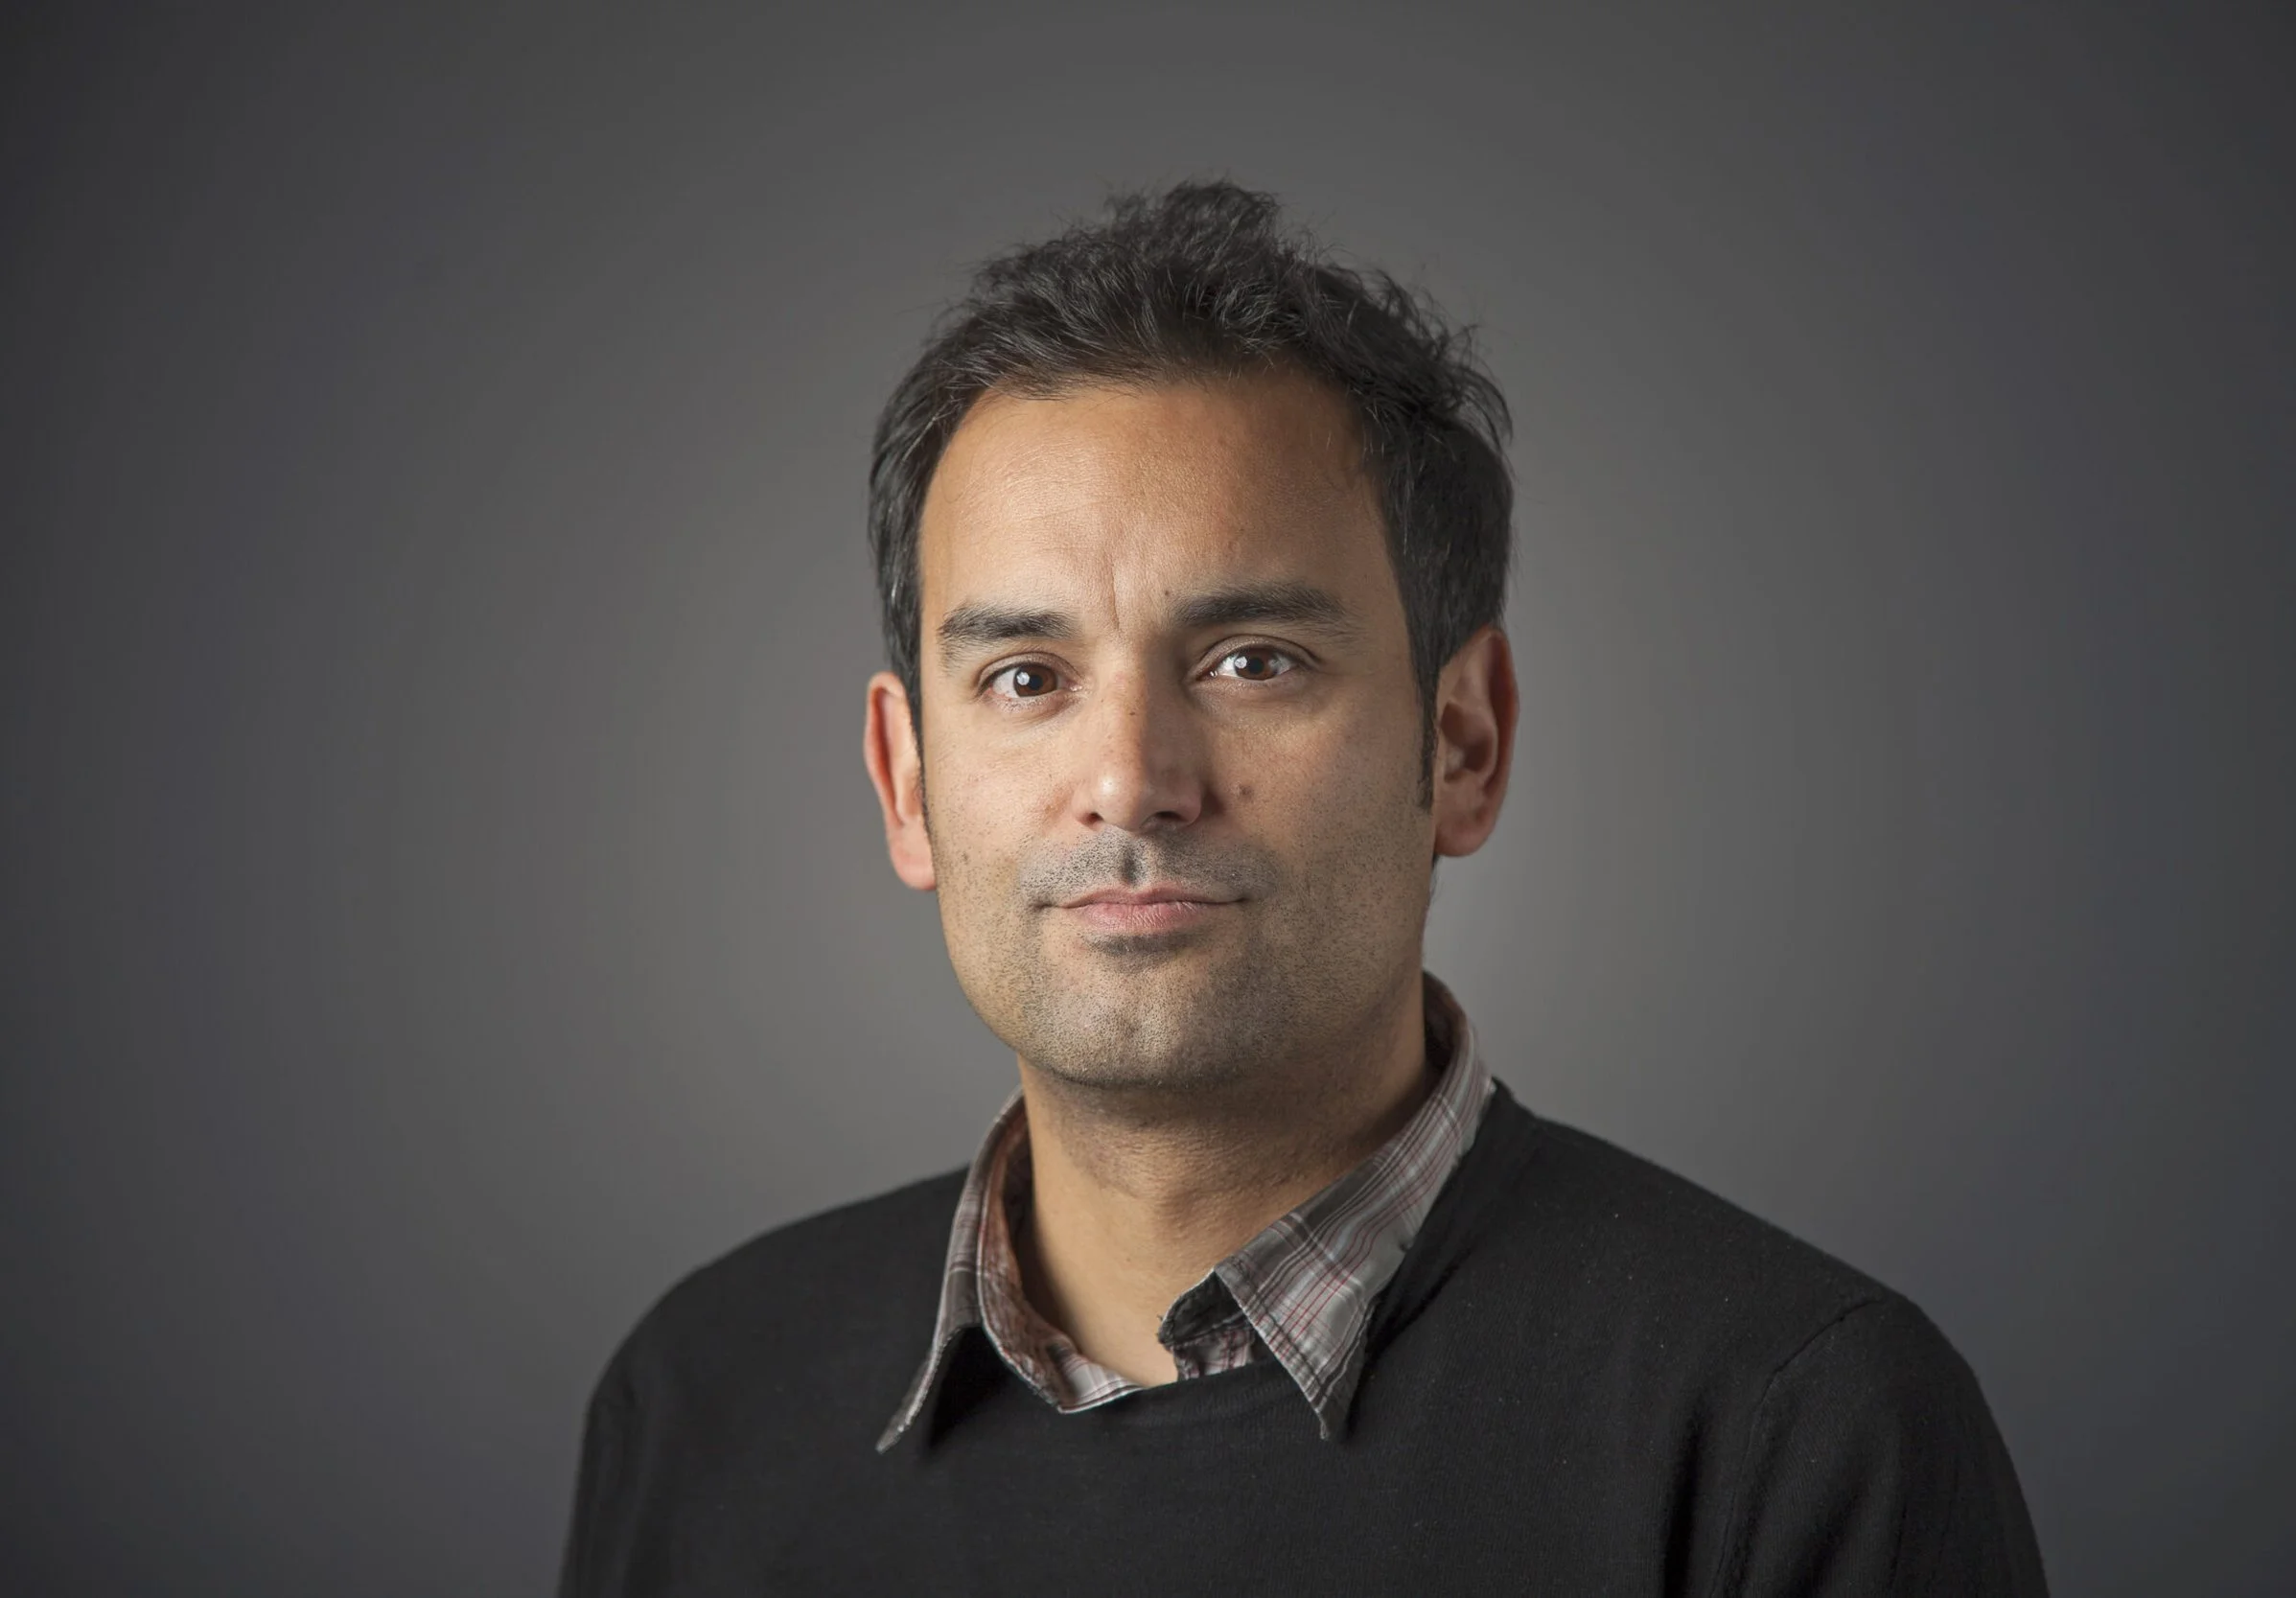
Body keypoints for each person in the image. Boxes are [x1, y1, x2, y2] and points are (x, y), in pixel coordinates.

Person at [555, 181, 2047, 1596]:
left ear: (1461, 742)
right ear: (906, 781)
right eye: (1026, 676)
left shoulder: (1796, 1432)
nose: (1133, 775)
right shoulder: (702, 1402)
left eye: (1253, 662)